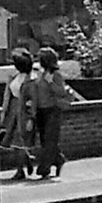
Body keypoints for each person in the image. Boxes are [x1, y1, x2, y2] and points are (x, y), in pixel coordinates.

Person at [30, 46, 69, 179]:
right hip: (41, 110)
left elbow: (61, 92)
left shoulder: (55, 75)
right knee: (45, 140)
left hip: (53, 109)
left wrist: (51, 82)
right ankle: (58, 159)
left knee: (50, 140)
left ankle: (44, 168)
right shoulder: (40, 73)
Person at [0, 49, 36, 181]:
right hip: (13, 111)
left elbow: (32, 101)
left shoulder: (31, 80)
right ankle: (26, 161)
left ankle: (20, 170)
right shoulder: (14, 78)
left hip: (24, 112)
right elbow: (7, 97)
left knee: (20, 141)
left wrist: (31, 117)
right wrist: (3, 115)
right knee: (12, 142)